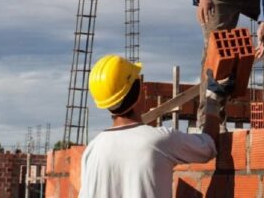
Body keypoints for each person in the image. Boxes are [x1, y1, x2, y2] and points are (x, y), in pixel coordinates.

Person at [79, 55, 228, 198]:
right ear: (139, 93)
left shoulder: (92, 150)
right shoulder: (159, 141)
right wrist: (213, 98)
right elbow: (207, 146)